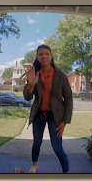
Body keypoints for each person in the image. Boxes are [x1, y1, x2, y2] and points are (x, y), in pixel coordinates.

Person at [23, 44, 73, 173]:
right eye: (41, 54)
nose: (44, 56)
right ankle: (34, 164)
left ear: (51, 57)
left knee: (57, 148)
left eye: (47, 54)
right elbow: (27, 97)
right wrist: (31, 85)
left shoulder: (60, 75)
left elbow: (68, 100)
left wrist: (64, 122)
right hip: (38, 115)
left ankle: (66, 172)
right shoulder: (33, 74)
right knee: (36, 143)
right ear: (37, 58)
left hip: (55, 116)